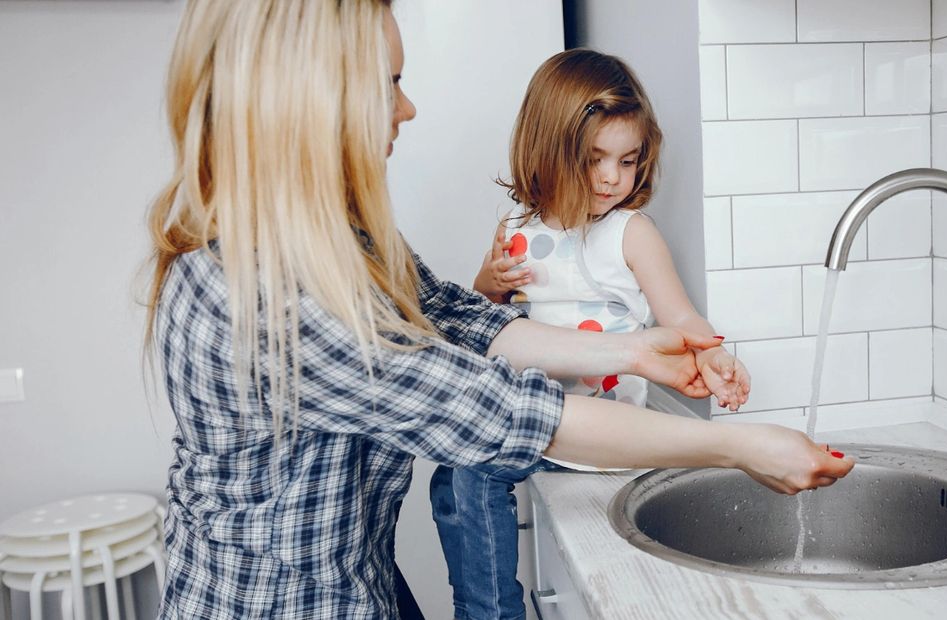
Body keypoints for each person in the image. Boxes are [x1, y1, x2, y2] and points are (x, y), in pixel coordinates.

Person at [145, 1, 854, 618]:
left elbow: (457, 318)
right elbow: (496, 412)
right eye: (389, 83)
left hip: (357, 583)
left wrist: (632, 351)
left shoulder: (342, 241)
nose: (407, 106)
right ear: (307, 101)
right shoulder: (265, 295)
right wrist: (738, 444)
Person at [430, 49, 755, 620]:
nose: (612, 178)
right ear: (548, 148)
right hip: (535, 422)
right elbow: (485, 326)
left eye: (628, 161)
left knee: (470, 468)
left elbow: (679, 317)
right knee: (447, 476)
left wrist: (715, 356)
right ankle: (485, 605)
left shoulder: (631, 233)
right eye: (595, 158)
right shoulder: (515, 230)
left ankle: (487, 614)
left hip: (604, 431)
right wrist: (489, 285)